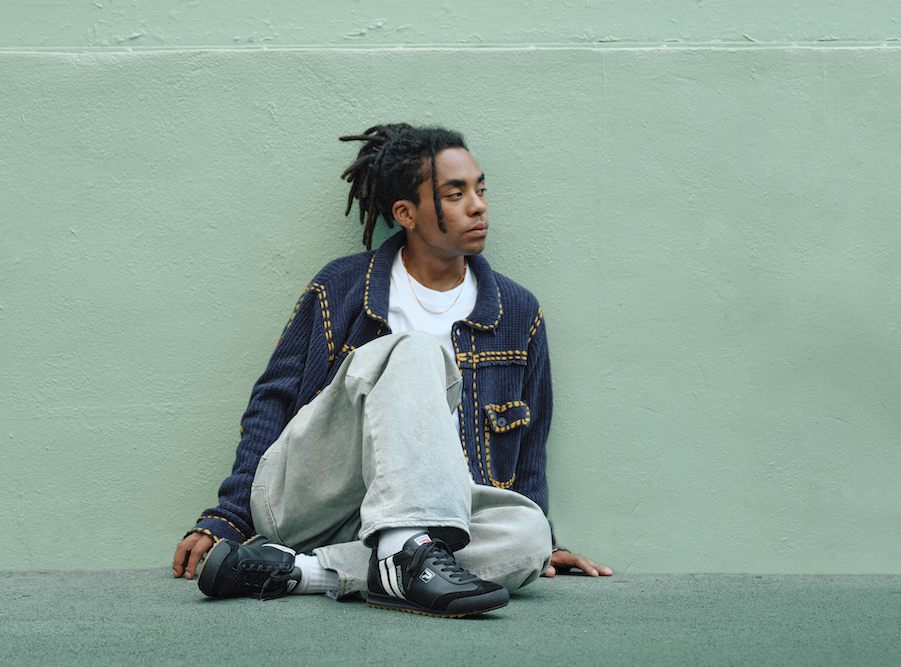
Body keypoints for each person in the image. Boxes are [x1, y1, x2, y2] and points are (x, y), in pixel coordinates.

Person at [173, 124, 611, 618]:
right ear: (406, 213)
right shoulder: (341, 288)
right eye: (456, 194)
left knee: (528, 539)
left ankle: (307, 572)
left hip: (428, 523)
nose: (478, 206)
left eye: (481, 190)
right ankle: (402, 554)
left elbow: (530, 445)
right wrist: (229, 516)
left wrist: (545, 544)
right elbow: (272, 403)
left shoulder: (517, 312)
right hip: (319, 503)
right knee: (416, 351)